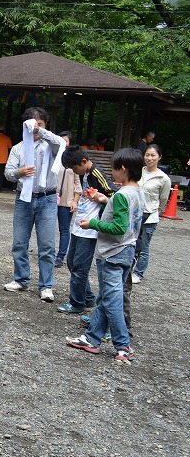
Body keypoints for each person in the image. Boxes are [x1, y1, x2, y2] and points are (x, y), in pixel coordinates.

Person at [66, 148, 144, 363]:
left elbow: (118, 227)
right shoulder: (138, 192)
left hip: (112, 254)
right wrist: (103, 200)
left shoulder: (121, 195)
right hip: (127, 251)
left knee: (112, 300)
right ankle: (92, 338)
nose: (112, 173)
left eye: (114, 168)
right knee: (105, 298)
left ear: (124, 169)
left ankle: (123, 344)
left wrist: (94, 223)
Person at [3, 107, 65, 302]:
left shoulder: (51, 146)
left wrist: (41, 131)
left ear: (46, 125)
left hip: (47, 198)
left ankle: (46, 286)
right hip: (24, 198)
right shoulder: (18, 148)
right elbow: (8, 172)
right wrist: (20, 172)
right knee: (19, 242)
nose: (36, 127)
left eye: (41, 123)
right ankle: (21, 279)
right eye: (32, 123)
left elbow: (61, 143)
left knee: (47, 245)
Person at [56, 145, 117, 316]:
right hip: (79, 226)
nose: (75, 172)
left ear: (83, 161)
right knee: (71, 262)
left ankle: (77, 303)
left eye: (75, 168)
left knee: (80, 267)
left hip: (90, 229)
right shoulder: (85, 174)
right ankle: (88, 297)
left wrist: (101, 198)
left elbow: (116, 194)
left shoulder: (97, 174)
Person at [132, 143, 170, 283]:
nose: (149, 158)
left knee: (144, 245)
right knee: (132, 241)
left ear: (159, 157)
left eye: (153, 155)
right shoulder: (138, 171)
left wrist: (157, 209)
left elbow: (164, 198)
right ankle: (129, 268)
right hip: (135, 212)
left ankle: (139, 273)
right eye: (147, 155)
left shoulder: (163, 178)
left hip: (150, 214)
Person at [55, 131, 81, 268]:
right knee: (47, 227)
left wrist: (75, 201)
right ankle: (48, 253)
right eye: (61, 140)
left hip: (67, 200)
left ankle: (60, 256)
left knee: (64, 229)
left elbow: (78, 183)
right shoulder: (53, 156)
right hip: (51, 197)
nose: (64, 143)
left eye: (66, 140)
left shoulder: (74, 160)